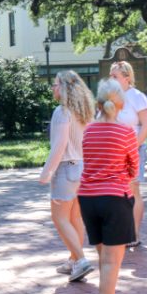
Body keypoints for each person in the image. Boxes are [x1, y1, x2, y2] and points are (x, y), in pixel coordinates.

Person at [77, 78, 139, 294]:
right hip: (115, 198)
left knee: (103, 260)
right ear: (119, 102)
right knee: (111, 264)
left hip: (88, 199)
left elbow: (88, 160)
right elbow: (133, 168)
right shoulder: (126, 132)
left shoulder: (89, 130)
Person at [38, 70, 95, 282]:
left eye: (55, 84)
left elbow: (59, 145)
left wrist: (46, 172)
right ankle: (73, 260)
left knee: (59, 217)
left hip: (66, 169)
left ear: (64, 88)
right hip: (82, 168)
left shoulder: (62, 112)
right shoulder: (85, 112)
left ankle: (80, 260)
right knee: (74, 217)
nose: (53, 88)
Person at [108, 61, 147, 248]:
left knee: (133, 191)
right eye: (110, 75)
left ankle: (134, 234)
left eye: (115, 76)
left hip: (133, 149)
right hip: (114, 151)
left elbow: (146, 125)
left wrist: (132, 147)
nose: (111, 79)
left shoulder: (137, 97)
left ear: (127, 78)